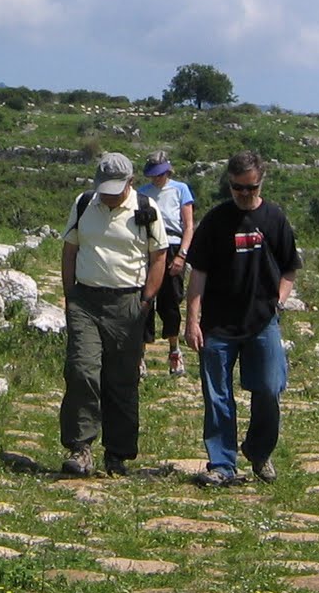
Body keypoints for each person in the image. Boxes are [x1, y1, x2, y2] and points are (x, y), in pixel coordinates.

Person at [185, 150, 299, 486]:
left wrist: (278, 301)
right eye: (237, 188)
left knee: (268, 388)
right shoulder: (215, 220)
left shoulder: (275, 218)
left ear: (261, 181)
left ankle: (259, 451)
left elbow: (290, 268)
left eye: (250, 188)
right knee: (217, 395)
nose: (244, 195)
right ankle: (222, 464)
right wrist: (192, 319)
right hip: (218, 322)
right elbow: (198, 273)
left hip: (262, 320)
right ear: (229, 184)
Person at [59, 150, 168, 477]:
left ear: (131, 183)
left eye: (115, 189)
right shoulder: (83, 204)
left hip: (128, 303)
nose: (108, 196)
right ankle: (80, 448)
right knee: (82, 369)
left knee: (122, 379)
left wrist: (146, 300)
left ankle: (117, 454)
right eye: (104, 188)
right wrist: (70, 295)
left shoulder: (146, 209)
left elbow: (160, 255)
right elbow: (70, 249)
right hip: (86, 301)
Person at [138, 152, 195, 376]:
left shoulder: (180, 189)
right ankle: (140, 354)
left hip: (172, 244)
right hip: (149, 245)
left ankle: (174, 350)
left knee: (170, 302)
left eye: (160, 174)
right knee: (145, 299)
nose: (157, 179)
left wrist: (182, 254)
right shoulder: (142, 193)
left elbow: (188, 225)